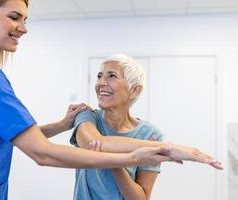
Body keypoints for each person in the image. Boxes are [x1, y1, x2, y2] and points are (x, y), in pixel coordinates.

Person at [0, 1, 183, 199]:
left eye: (112, 76)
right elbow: (45, 151)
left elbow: (11, 134)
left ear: (135, 90)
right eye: (14, 17)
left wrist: (61, 125)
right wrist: (154, 152)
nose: (24, 28)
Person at [70, 54, 223, 200]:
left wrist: (115, 164)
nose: (101, 83)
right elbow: (93, 142)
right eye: (99, 76)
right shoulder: (87, 116)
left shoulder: (149, 133)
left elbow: (140, 198)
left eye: (111, 76)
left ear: (134, 90)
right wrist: (165, 148)